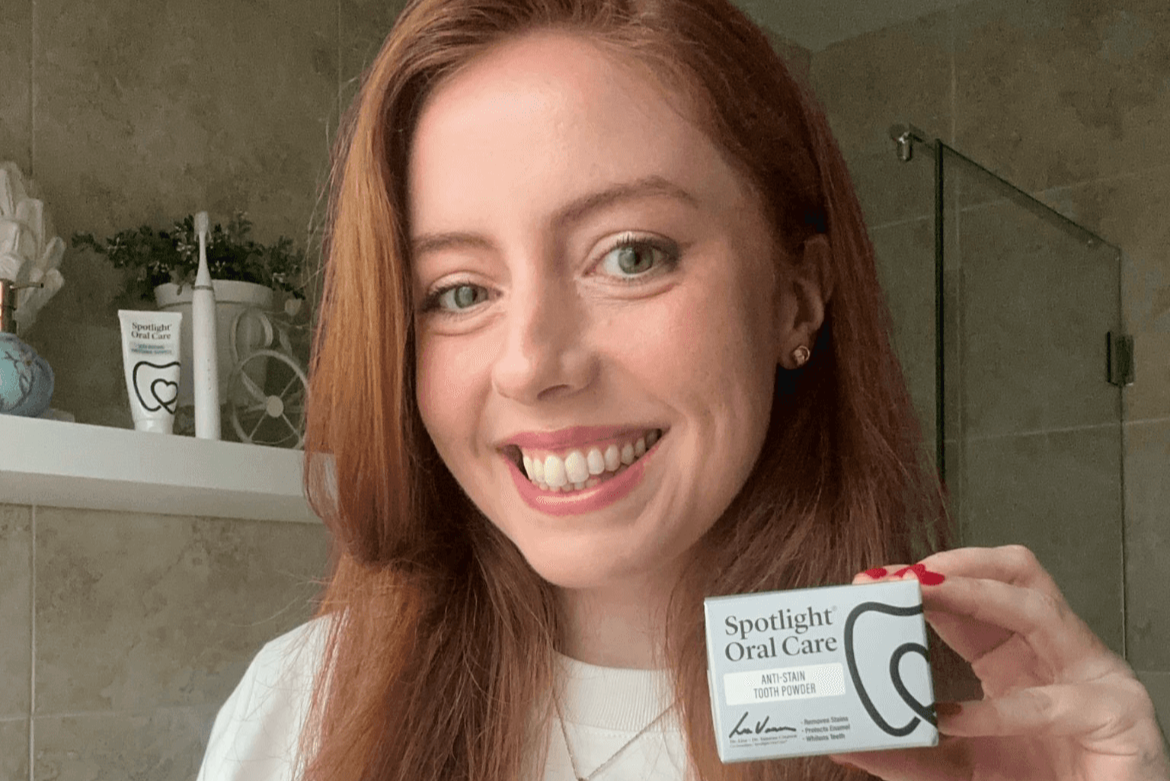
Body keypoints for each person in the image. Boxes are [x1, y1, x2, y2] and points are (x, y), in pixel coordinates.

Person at [196, 0, 1170, 779]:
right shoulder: (300, 709)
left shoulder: (959, 738)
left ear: (796, 297)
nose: (533, 363)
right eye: (459, 290)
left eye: (631, 254)